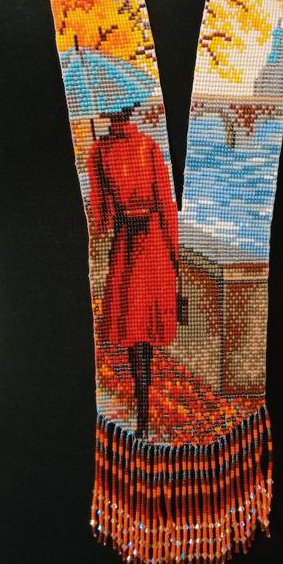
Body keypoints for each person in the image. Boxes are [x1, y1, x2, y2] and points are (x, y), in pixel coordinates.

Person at [87, 105, 178, 437]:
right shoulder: (148, 147)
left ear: (109, 116)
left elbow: (101, 219)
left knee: (131, 325)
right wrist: (174, 254)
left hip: (125, 244)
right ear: (130, 113)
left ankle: (141, 408)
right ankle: (143, 408)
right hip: (152, 243)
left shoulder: (99, 152)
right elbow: (166, 204)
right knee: (146, 327)